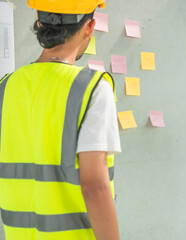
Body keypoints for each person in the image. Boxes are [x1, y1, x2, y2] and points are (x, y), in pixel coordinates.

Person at [0, 0, 121, 239]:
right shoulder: (92, 88)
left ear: (39, 21)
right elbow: (94, 187)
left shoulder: (6, 87)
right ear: (89, 27)